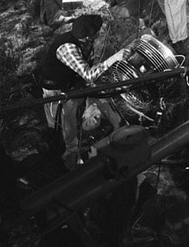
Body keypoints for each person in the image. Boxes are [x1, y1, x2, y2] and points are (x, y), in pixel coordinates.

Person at [37, 14, 126, 169]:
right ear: (89, 36)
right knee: (65, 131)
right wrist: (114, 58)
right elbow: (88, 74)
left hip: (73, 84)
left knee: (101, 99)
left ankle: (120, 130)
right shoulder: (67, 48)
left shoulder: (83, 41)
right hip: (57, 92)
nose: (99, 34)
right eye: (97, 32)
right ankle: (71, 165)